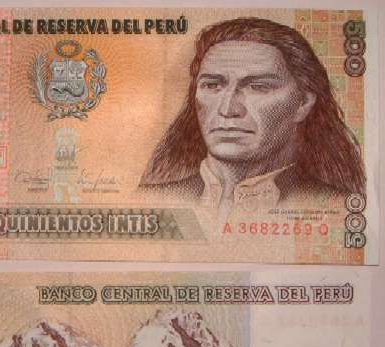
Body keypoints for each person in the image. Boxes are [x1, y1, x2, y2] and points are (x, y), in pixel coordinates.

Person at [139, 17, 365, 218]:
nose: (228, 109)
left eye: (258, 87)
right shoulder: (149, 200)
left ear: (303, 103)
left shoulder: (337, 207)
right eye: (212, 85)